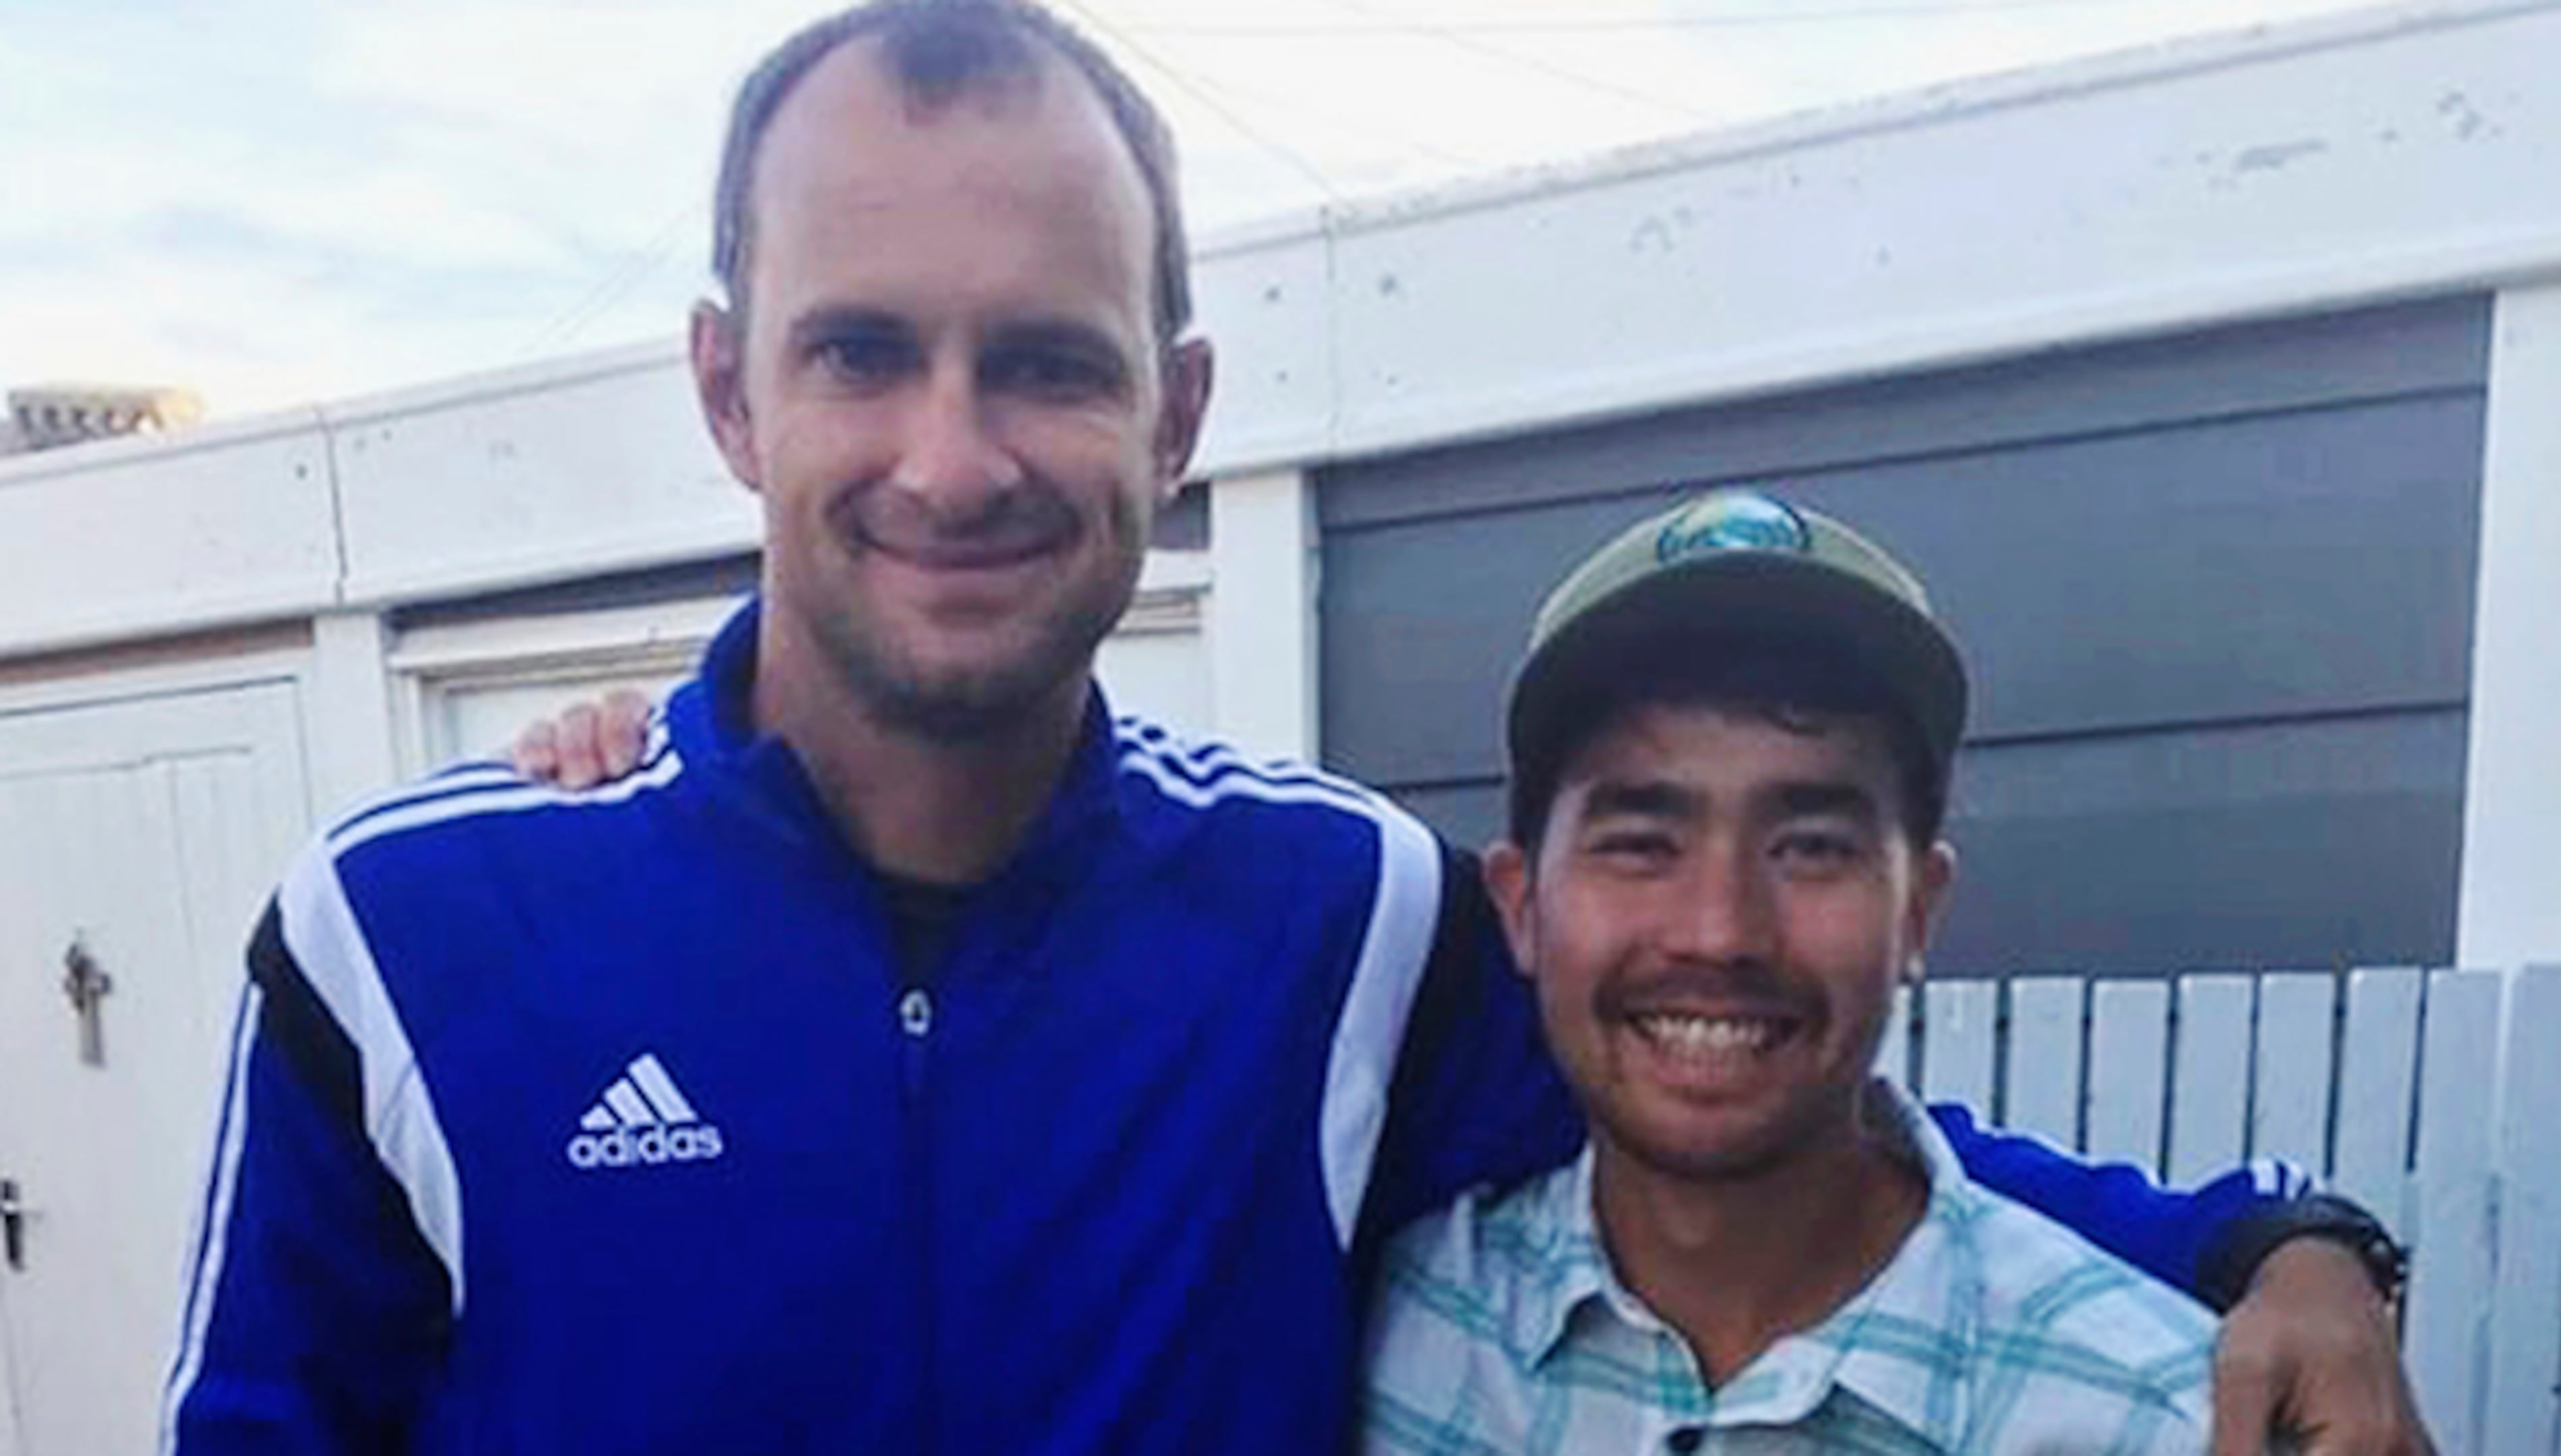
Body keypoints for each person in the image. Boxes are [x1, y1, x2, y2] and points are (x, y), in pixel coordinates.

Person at [167, 3, 2425, 1453]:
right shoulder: (412, 940)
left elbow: (1744, 1083)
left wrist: (2276, 1241)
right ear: (727, 388)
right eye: (865, 351)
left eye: (1044, 361)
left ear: (1176, 413)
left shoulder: (1332, 917)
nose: (955, 461)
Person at [1361, 487, 2218, 1452]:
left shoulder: (2164, 1423)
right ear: (1520, 905)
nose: (1720, 931)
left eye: (1811, 846)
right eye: (1642, 842)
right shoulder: (1387, 1339)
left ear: (1918, 911)